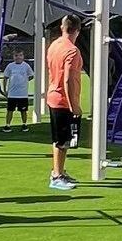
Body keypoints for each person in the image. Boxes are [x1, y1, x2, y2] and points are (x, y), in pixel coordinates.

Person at [44, 15, 83, 191]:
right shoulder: (72, 51)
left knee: (61, 139)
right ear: (77, 30)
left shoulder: (54, 45)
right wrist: (73, 103)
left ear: (62, 27)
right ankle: (56, 176)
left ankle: (58, 171)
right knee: (62, 140)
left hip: (54, 96)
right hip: (62, 100)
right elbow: (67, 79)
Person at [0, 49, 34, 130]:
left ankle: (24, 125)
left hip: (22, 94)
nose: (18, 57)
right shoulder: (10, 66)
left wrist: (25, 81)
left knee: (23, 111)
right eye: (16, 55)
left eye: (20, 55)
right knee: (9, 110)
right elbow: (5, 78)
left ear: (23, 56)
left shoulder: (26, 66)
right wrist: (4, 90)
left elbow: (31, 75)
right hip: (12, 94)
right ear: (13, 57)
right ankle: (7, 125)